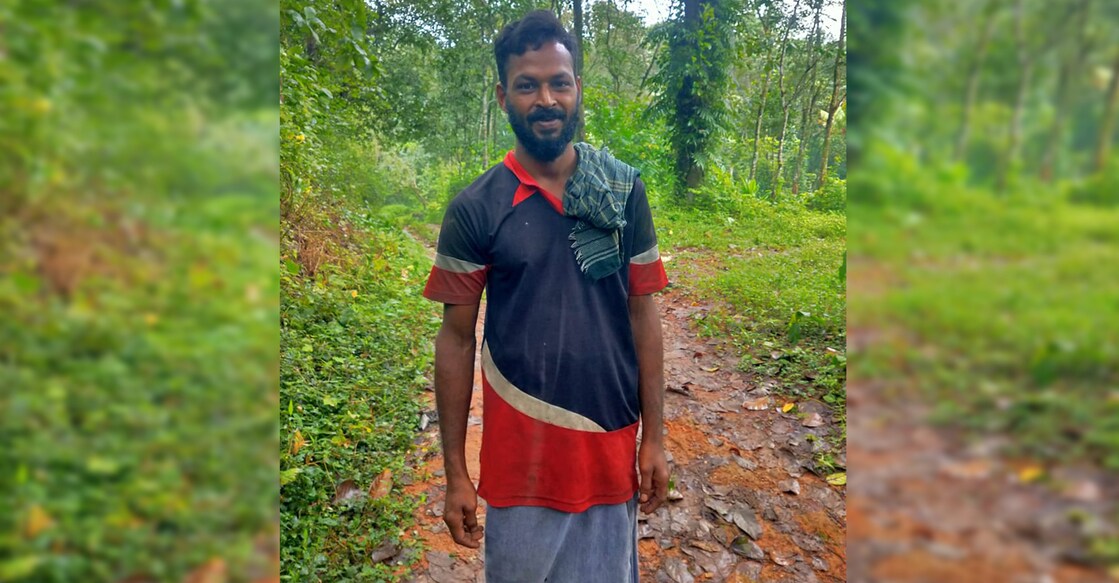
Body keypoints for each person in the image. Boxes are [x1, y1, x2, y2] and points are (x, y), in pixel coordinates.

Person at [422, 9, 670, 582]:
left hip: (609, 445)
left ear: (578, 87)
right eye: (527, 85)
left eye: (559, 82)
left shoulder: (621, 190)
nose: (546, 99)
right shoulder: (477, 208)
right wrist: (456, 472)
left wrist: (654, 438)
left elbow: (643, 313)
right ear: (503, 95)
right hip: (522, 463)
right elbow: (456, 340)